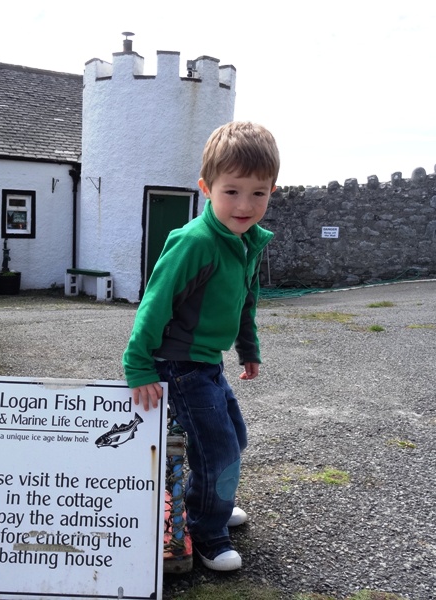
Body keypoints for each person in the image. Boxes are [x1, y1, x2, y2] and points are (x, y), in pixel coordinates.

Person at [122, 121, 279, 571]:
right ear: (206, 188)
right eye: (232, 191)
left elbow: (246, 301)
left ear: (272, 190)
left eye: (258, 193)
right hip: (178, 364)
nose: (245, 205)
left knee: (234, 439)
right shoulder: (195, 242)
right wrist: (139, 366)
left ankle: (214, 499)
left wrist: (248, 349)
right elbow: (155, 304)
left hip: (207, 363)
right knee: (217, 448)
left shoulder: (246, 240)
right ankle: (207, 530)